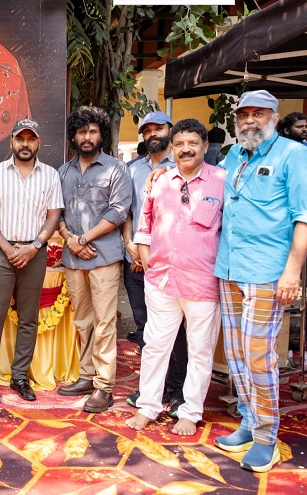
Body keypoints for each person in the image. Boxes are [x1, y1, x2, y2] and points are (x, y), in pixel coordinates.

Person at [213, 90, 307, 472]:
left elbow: (303, 217)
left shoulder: (293, 154)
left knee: (258, 355)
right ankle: (249, 422)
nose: (250, 120)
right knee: (236, 353)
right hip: (229, 267)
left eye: (259, 113)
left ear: (274, 117)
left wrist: (292, 271)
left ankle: (267, 436)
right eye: (244, 114)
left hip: (267, 271)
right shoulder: (234, 155)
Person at [125, 118, 225, 436]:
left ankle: (190, 412)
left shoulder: (222, 181)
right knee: (155, 346)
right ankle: (148, 407)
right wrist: (149, 268)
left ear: (205, 146)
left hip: (203, 282)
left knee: (199, 350)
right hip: (161, 281)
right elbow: (144, 229)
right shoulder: (161, 181)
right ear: (172, 148)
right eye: (179, 144)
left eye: (193, 143)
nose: (186, 149)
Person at [0, 118, 64, 404]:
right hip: (1, 251)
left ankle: (19, 376)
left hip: (34, 253)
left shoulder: (50, 175)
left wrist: (34, 246)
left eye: (31, 139)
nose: (25, 144)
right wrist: (5, 247)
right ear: (11, 141)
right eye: (20, 138)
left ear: (38, 142)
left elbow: (54, 215)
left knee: (28, 318)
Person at [56, 106, 132, 413]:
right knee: (83, 321)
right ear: (73, 136)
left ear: (101, 135)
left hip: (104, 257)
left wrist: (83, 239)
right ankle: (87, 376)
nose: (87, 137)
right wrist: (70, 240)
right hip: (74, 258)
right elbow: (57, 212)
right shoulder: (63, 172)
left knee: (104, 323)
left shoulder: (116, 169)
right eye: (81, 132)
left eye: (93, 131)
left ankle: (104, 386)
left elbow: (118, 212)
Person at [121, 111, 187, 416]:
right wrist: (130, 244)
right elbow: (127, 212)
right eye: (147, 131)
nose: (152, 134)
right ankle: (152, 388)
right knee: (145, 327)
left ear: (170, 130)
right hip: (135, 260)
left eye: (158, 128)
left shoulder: (183, 167)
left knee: (174, 329)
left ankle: (178, 389)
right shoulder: (132, 169)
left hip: (169, 263)